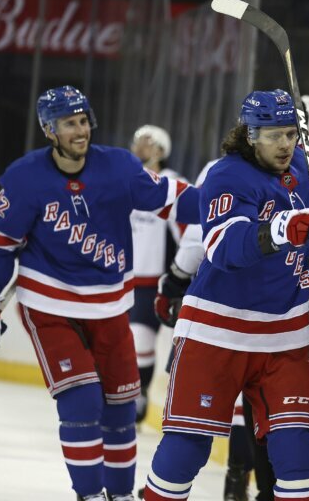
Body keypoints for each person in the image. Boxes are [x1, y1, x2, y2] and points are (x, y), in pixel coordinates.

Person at [0, 86, 200, 500]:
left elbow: (177, 202)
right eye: (67, 124)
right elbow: (1, 242)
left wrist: (240, 200)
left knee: (120, 410)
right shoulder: (25, 177)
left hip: (111, 305)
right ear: (48, 129)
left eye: (82, 121)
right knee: (82, 403)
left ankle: (120, 493)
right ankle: (90, 495)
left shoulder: (118, 167)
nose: (79, 131)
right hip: (49, 305)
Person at [143, 89, 309, 501]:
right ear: (250, 134)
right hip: (215, 334)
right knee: (187, 449)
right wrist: (284, 228)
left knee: (299, 455)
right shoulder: (227, 175)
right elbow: (224, 245)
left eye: (291, 133)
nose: (286, 143)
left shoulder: (303, 171)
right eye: (274, 135)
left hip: (284, 338)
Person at [128, 124, 185, 423]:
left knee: (141, 344)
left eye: (146, 141)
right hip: (122, 280)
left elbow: (187, 232)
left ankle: (139, 396)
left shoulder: (171, 184)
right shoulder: (127, 182)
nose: (139, 145)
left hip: (153, 283)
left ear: (161, 149)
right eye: (138, 140)